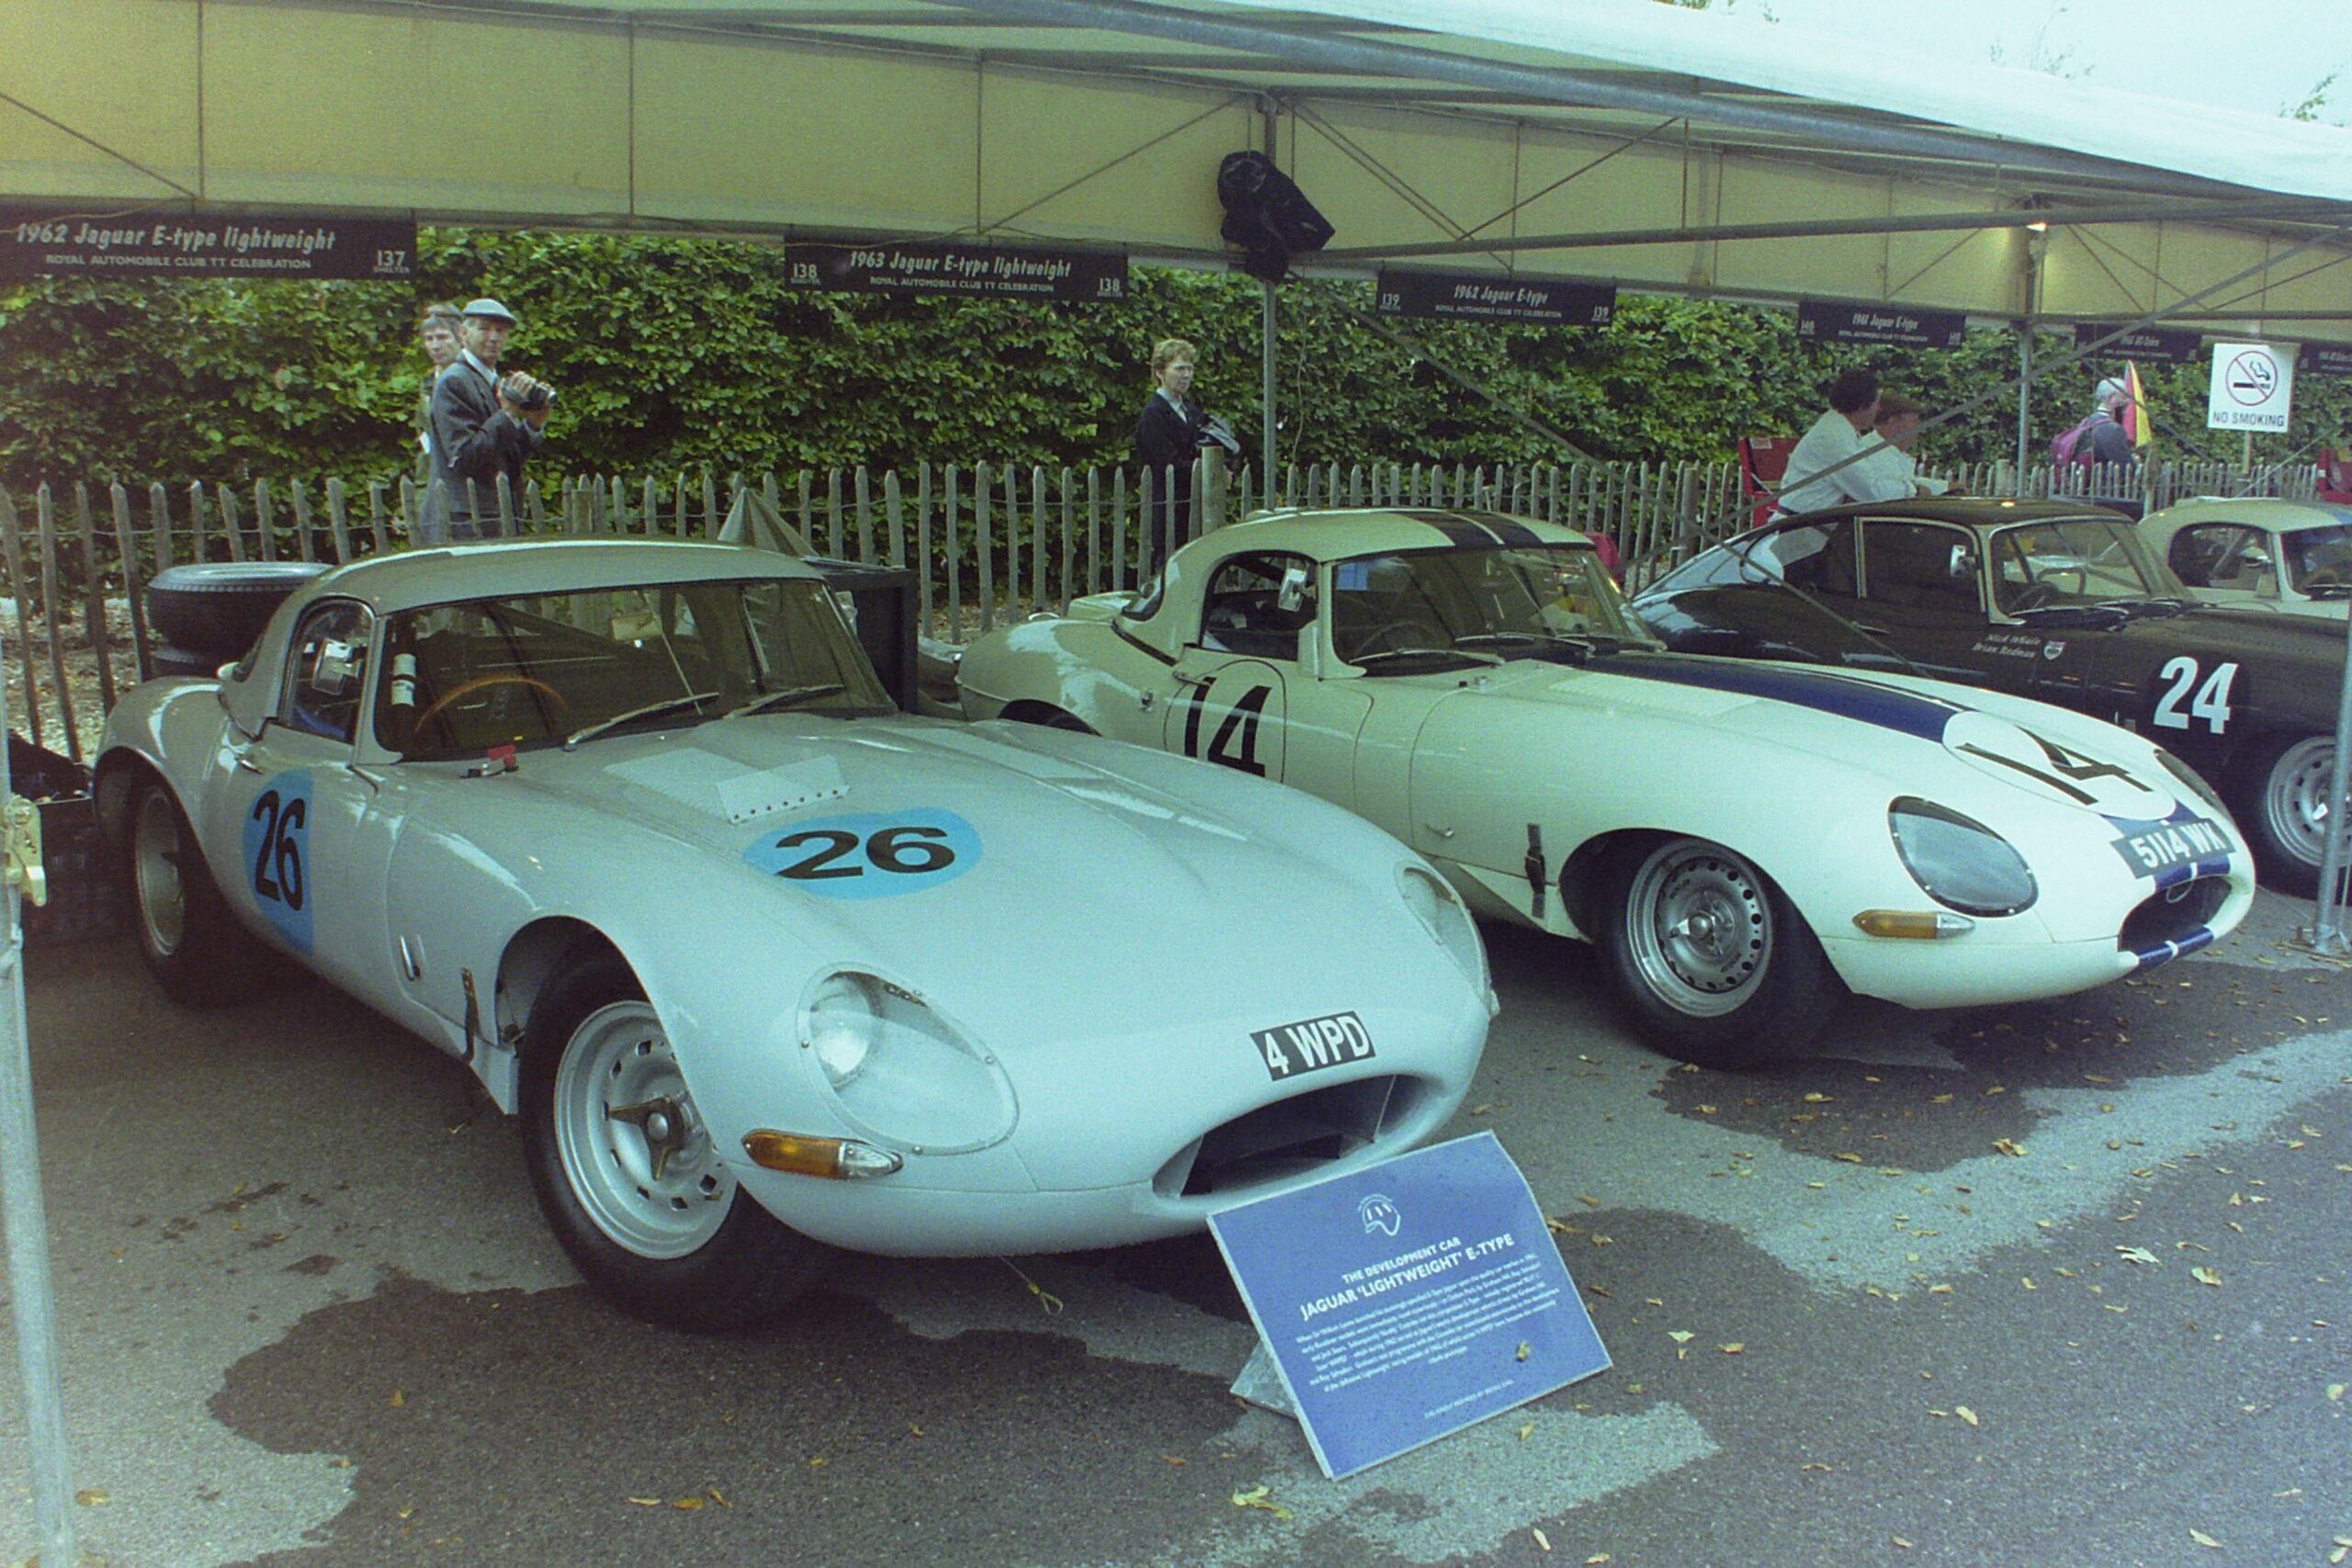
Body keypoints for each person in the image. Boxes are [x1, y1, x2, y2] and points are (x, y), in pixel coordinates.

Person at [426, 297, 552, 542]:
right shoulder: (454, 381)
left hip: (498, 514)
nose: (493, 337)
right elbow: (464, 458)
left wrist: (533, 424)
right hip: (465, 521)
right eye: (484, 329)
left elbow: (507, 459)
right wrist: (507, 414)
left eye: (500, 331)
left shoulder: (493, 381)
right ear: (463, 333)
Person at [1134, 338, 1223, 576]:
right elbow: (1167, 464)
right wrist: (1208, 471)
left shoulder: (1192, 412)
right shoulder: (1153, 415)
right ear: (1159, 372)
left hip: (1195, 511)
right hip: (1168, 512)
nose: (1186, 375)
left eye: (1190, 369)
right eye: (1179, 369)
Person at [1772, 367, 1885, 515]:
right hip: (1802, 525)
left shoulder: (1837, 428)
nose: (1879, 409)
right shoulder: (1835, 439)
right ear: (1862, 406)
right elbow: (1873, 492)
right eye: (1877, 402)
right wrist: (1910, 490)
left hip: (1807, 521)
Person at [1852, 391, 1953, 501]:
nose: (1920, 428)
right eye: (1914, 421)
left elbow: (1910, 481)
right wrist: (1917, 491)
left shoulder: (1887, 452)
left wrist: (1947, 487)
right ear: (1893, 422)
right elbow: (1885, 493)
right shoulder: (1874, 455)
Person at [413, 302, 464, 491]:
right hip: (432, 483)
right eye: (429, 339)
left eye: (442, 337)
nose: (435, 346)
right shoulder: (427, 385)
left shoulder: (475, 379)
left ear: (461, 337)